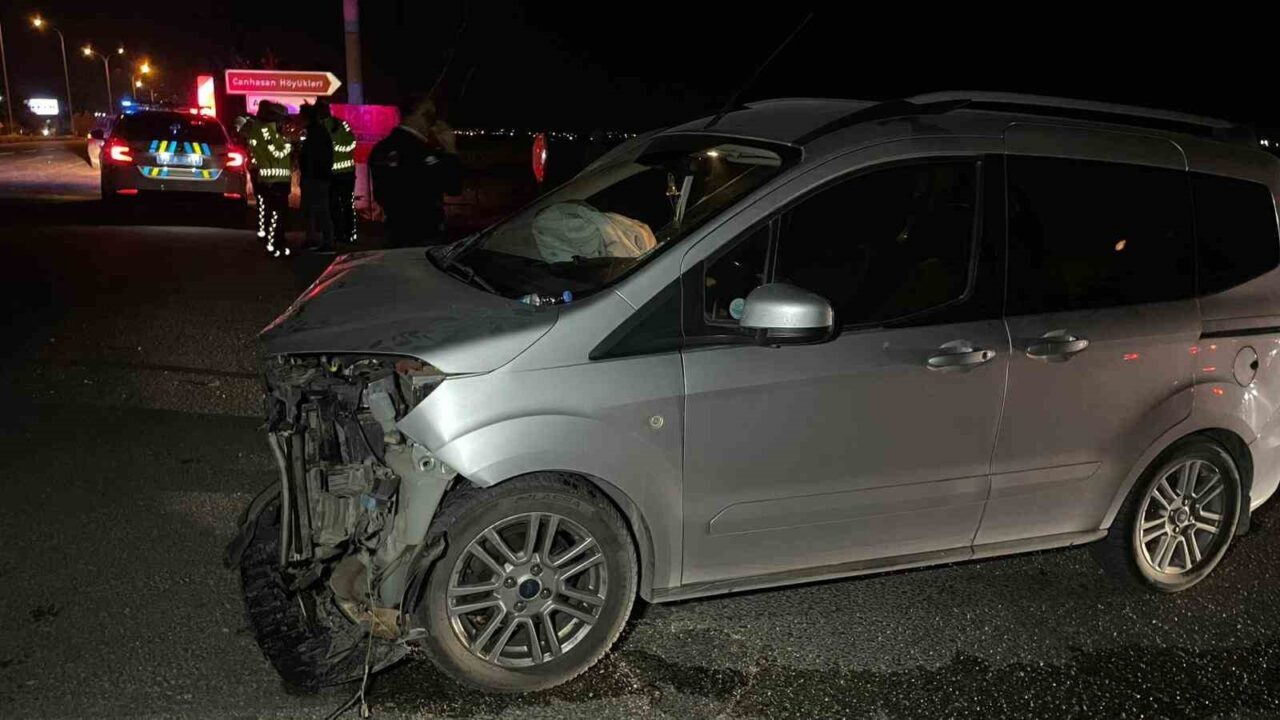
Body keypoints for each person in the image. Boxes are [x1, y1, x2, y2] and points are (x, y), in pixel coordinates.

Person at [368, 94, 462, 247]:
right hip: (424, 233)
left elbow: (383, 192)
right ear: (418, 115)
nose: (434, 122)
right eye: (430, 115)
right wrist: (450, 149)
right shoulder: (421, 151)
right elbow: (454, 186)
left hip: (394, 229)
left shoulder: (381, 148)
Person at [244, 101, 293, 258]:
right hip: (273, 180)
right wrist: (289, 145)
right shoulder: (267, 132)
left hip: (275, 179)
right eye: (282, 119)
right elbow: (275, 153)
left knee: (273, 213)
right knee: (275, 214)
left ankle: (275, 241)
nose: (283, 122)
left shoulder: (266, 131)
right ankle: (273, 244)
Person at [318, 101, 359, 245]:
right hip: (345, 172)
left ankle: (340, 233)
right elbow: (352, 142)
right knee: (346, 203)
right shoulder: (340, 124)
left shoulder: (323, 128)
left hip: (333, 173)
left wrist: (335, 148)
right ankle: (349, 234)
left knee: (335, 204)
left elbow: (352, 143)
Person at [298, 103, 335, 253]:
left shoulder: (316, 133)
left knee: (320, 210)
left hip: (316, 178)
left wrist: (309, 173)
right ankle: (314, 239)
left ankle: (327, 241)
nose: (299, 120)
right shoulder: (316, 132)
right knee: (312, 210)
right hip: (316, 177)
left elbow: (314, 158)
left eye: (301, 116)